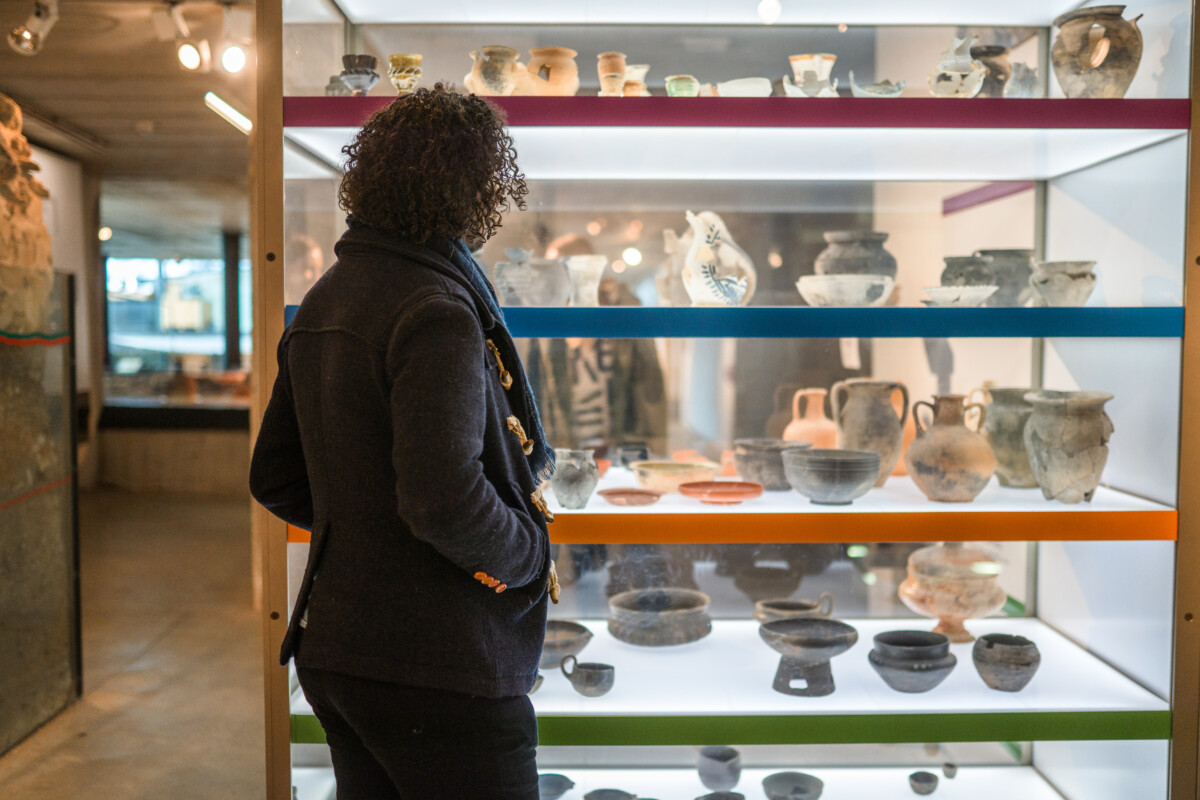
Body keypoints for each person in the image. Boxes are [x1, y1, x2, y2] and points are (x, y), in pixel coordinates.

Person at [249, 84, 555, 799]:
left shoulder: (329, 294)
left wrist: (369, 537)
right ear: (473, 188)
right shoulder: (438, 309)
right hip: (440, 666)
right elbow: (443, 500)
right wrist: (527, 553)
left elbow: (276, 477)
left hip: (339, 653)